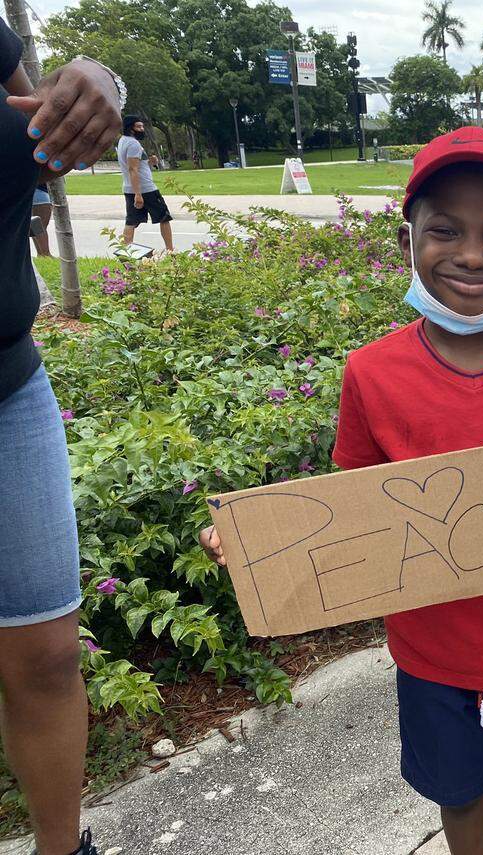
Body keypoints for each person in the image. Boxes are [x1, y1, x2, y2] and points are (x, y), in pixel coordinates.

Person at [200, 127, 483, 855]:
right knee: (459, 793)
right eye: (445, 229)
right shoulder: (370, 373)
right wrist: (263, 541)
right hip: (430, 651)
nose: (472, 255)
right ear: (408, 238)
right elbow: (353, 510)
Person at [2, 17, 124, 855]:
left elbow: (56, 109)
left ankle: (62, 847)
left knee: (46, 654)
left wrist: (99, 82)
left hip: (7, 385)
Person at [116, 116, 174, 253]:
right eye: (139, 127)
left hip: (130, 188)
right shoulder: (133, 144)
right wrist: (138, 194)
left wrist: (150, 162)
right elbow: (132, 169)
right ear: (130, 128)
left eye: (142, 126)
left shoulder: (123, 141)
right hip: (145, 189)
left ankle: (126, 253)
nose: (142, 129)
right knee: (164, 217)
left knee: (131, 221)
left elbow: (135, 165)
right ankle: (171, 251)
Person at [31, 183, 51, 257]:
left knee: (36, 225)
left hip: (39, 190)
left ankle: (41, 253)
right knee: (39, 225)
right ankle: (45, 254)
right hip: (40, 190)